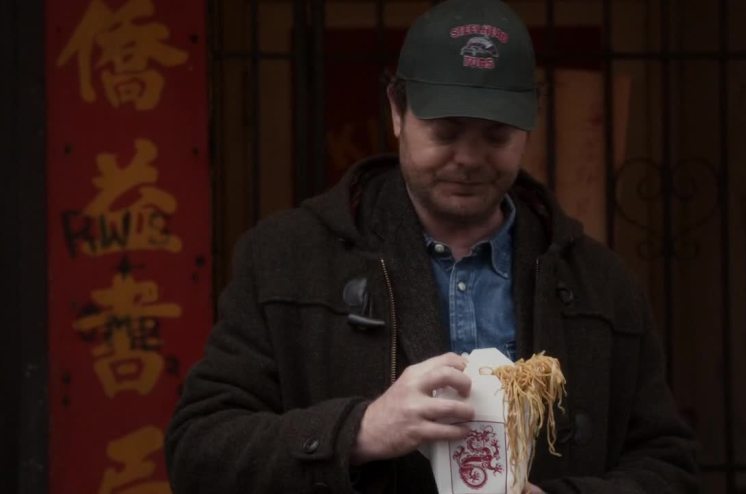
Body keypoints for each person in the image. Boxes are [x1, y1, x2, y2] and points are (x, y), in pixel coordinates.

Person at [165, 0, 698, 492]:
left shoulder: (601, 282)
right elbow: (198, 450)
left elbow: (669, 465)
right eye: (446, 131)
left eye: (496, 135)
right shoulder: (286, 259)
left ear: (529, 123)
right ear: (397, 111)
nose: (469, 158)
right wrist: (359, 430)